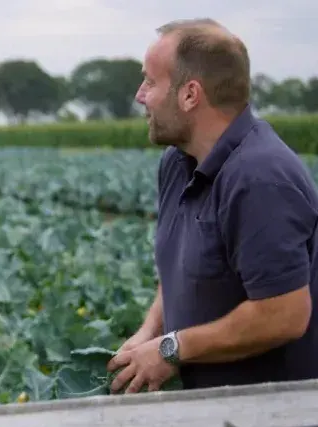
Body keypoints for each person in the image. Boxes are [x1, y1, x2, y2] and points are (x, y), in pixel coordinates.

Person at [107, 18, 318, 393]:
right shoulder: (178, 162)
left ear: (190, 94)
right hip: (206, 409)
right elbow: (186, 269)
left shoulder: (259, 178)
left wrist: (171, 349)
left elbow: (284, 314)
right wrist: (150, 332)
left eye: (151, 82)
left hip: (272, 419)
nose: (141, 95)